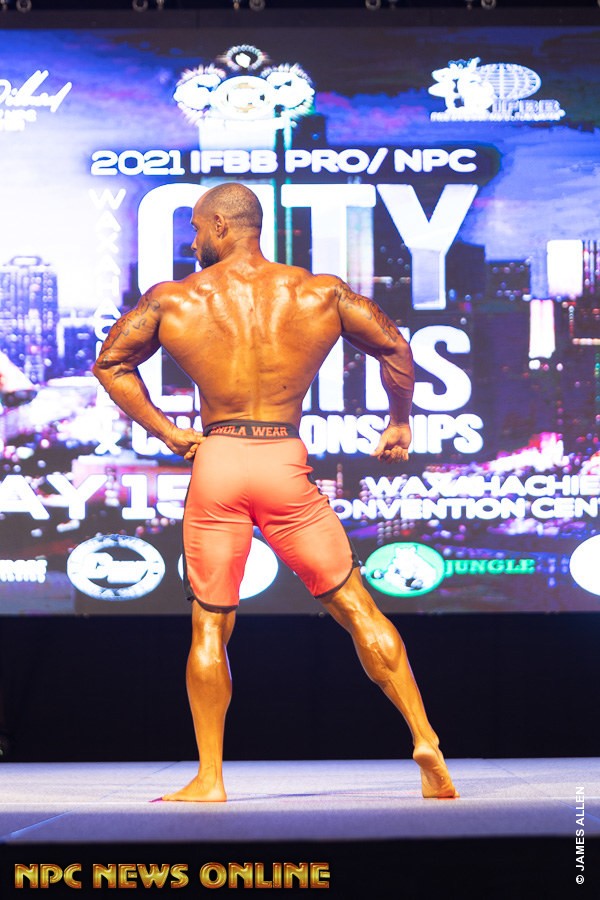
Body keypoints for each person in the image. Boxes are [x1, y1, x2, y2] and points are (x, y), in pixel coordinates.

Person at [93, 182, 458, 802]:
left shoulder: (175, 298)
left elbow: (110, 364)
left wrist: (168, 432)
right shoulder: (319, 292)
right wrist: (400, 421)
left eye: (196, 229)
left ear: (220, 225)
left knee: (210, 628)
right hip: (284, 460)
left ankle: (210, 778)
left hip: (219, 461)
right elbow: (395, 347)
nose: (192, 242)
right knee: (359, 610)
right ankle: (425, 740)